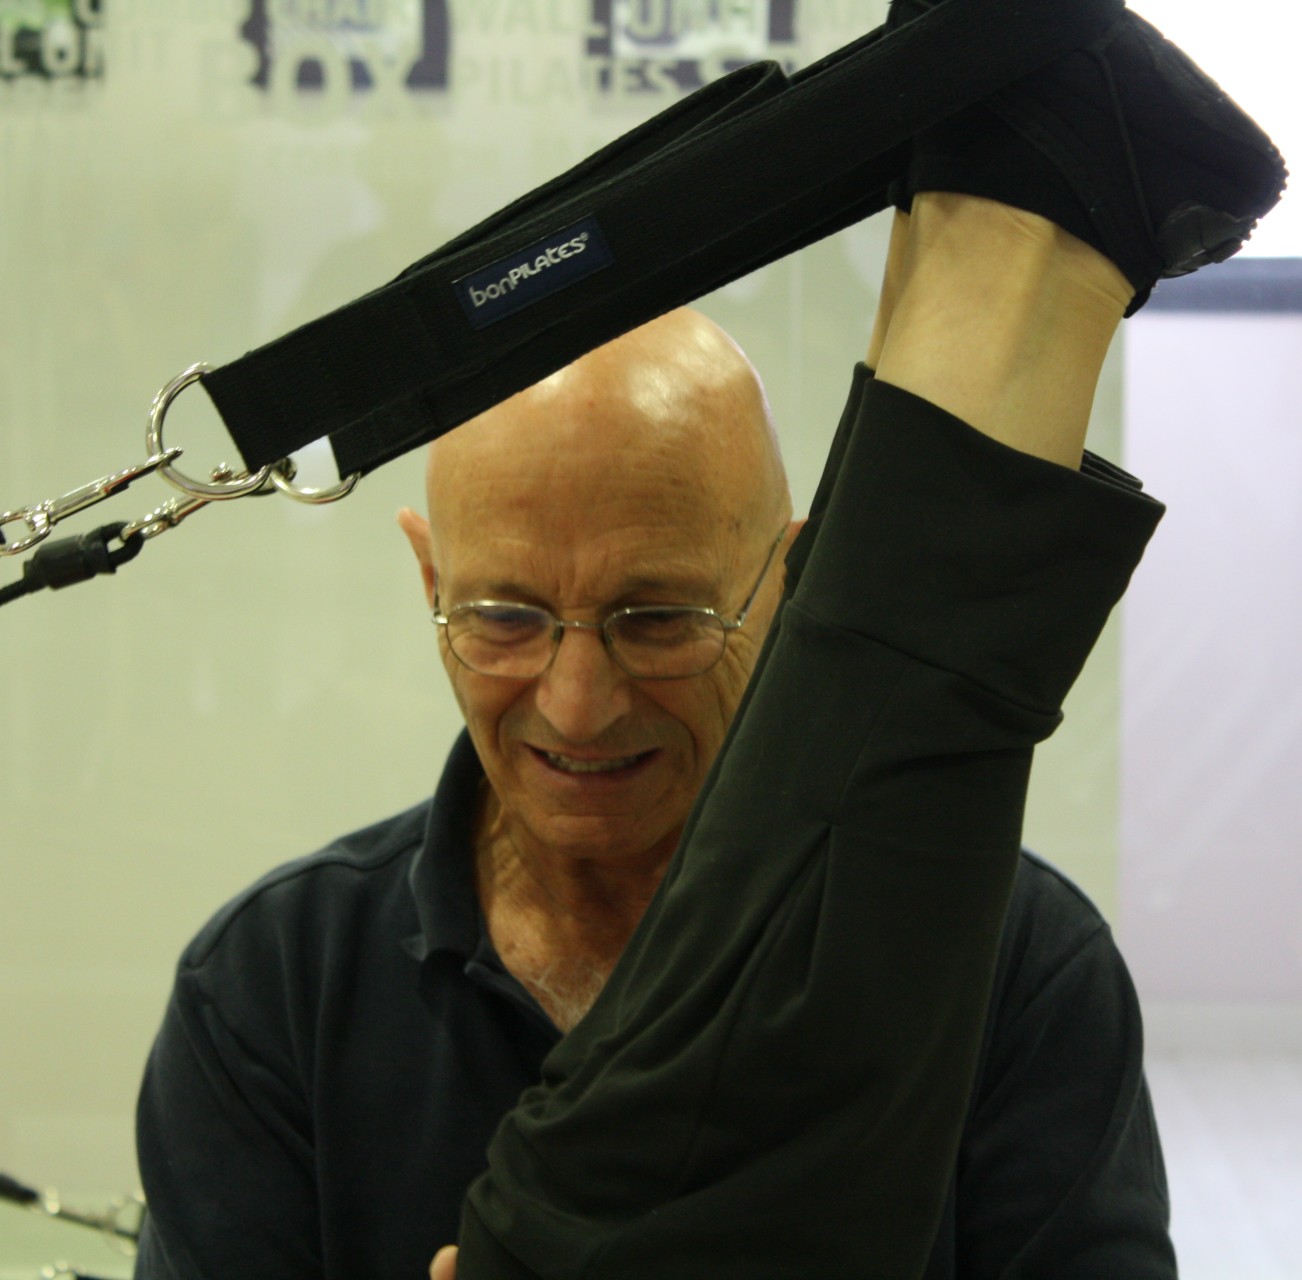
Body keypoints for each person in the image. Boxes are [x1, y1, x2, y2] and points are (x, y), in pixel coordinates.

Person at [133, 3, 1285, 1277]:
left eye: (658, 618)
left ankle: (1022, 214)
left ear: (785, 582)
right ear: (429, 578)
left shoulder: (1023, 964)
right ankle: (1026, 213)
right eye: (507, 616)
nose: (577, 700)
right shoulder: (274, 983)